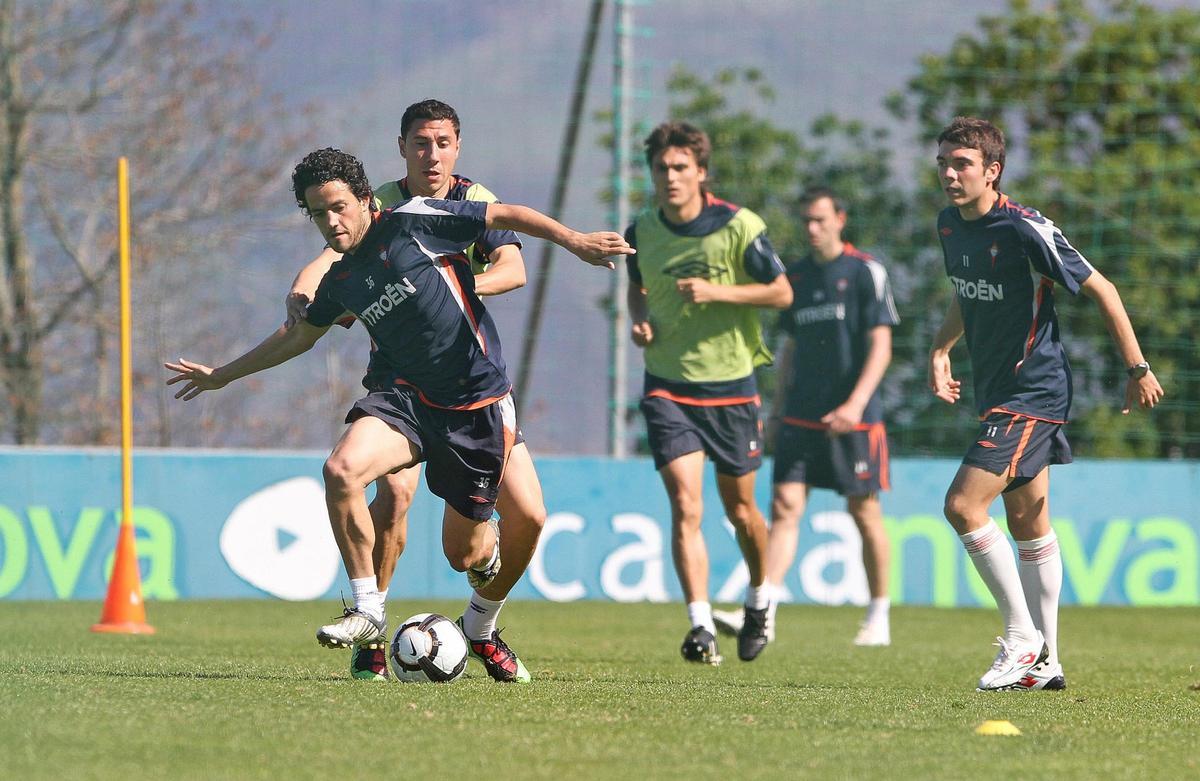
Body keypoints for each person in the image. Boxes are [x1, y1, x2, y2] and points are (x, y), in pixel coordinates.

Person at [166, 147, 632, 682]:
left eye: (339, 207)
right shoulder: (341, 281)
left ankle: (480, 621)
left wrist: (575, 241)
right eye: (318, 214)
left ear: (366, 200)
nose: (331, 222)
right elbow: (298, 336)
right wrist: (222, 374)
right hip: (404, 400)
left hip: (473, 404)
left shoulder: (414, 222)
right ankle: (367, 611)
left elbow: (503, 216)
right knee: (342, 471)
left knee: (465, 555)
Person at [284, 100, 543, 683]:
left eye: (442, 142)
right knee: (391, 494)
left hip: (466, 379)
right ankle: (371, 631)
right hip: (398, 384)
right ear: (401, 147)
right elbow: (327, 258)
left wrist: (437, 283)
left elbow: (514, 268)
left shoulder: (472, 201)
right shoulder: (377, 199)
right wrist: (298, 295)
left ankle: (482, 625)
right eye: (420, 143)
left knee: (494, 538)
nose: (432, 154)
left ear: (458, 146)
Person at [928, 117, 1163, 691]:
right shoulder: (949, 226)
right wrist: (941, 349)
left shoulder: (1025, 228)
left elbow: (1103, 289)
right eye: (944, 163)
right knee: (1029, 522)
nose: (950, 174)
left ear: (992, 171)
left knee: (962, 506)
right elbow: (967, 294)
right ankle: (1049, 660)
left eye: (962, 163)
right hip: (999, 392)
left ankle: (1021, 639)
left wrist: (1137, 368)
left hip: (1035, 390)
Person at [625, 121, 792, 665]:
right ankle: (699, 625)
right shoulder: (642, 229)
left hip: (731, 389)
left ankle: (759, 597)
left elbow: (782, 292)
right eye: (661, 169)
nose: (670, 178)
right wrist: (640, 320)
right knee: (684, 504)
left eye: (680, 168)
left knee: (741, 510)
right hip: (668, 387)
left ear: (701, 173)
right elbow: (637, 289)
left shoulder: (740, 226)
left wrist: (718, 291)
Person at [712, 187, 899, 647]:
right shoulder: (794, 277)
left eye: (820, 220)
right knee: (785, 508)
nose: (812, 229)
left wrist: (855, 404)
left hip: (856, 417)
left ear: (840, 219)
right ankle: (764, 612)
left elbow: (882, 345)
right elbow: (791, 348)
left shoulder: (864, 272)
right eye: (806, 222)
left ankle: (878, 615)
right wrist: (776, 410)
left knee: (863, 509)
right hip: (800, 415)